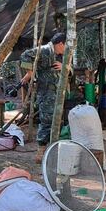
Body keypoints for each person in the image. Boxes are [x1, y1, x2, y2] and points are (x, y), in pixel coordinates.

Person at [20, 32, 66, 161]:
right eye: (66, 45)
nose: (66, 49)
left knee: (57, 121)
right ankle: (41, 151)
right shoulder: (45, 50)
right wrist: (30, 73)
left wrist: (65, 67)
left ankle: (52, 150)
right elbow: (25, 55)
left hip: (57, 93)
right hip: (46, 93)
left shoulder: (62, 56)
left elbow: (70, 70)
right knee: (46, 121)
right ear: (60, 44)